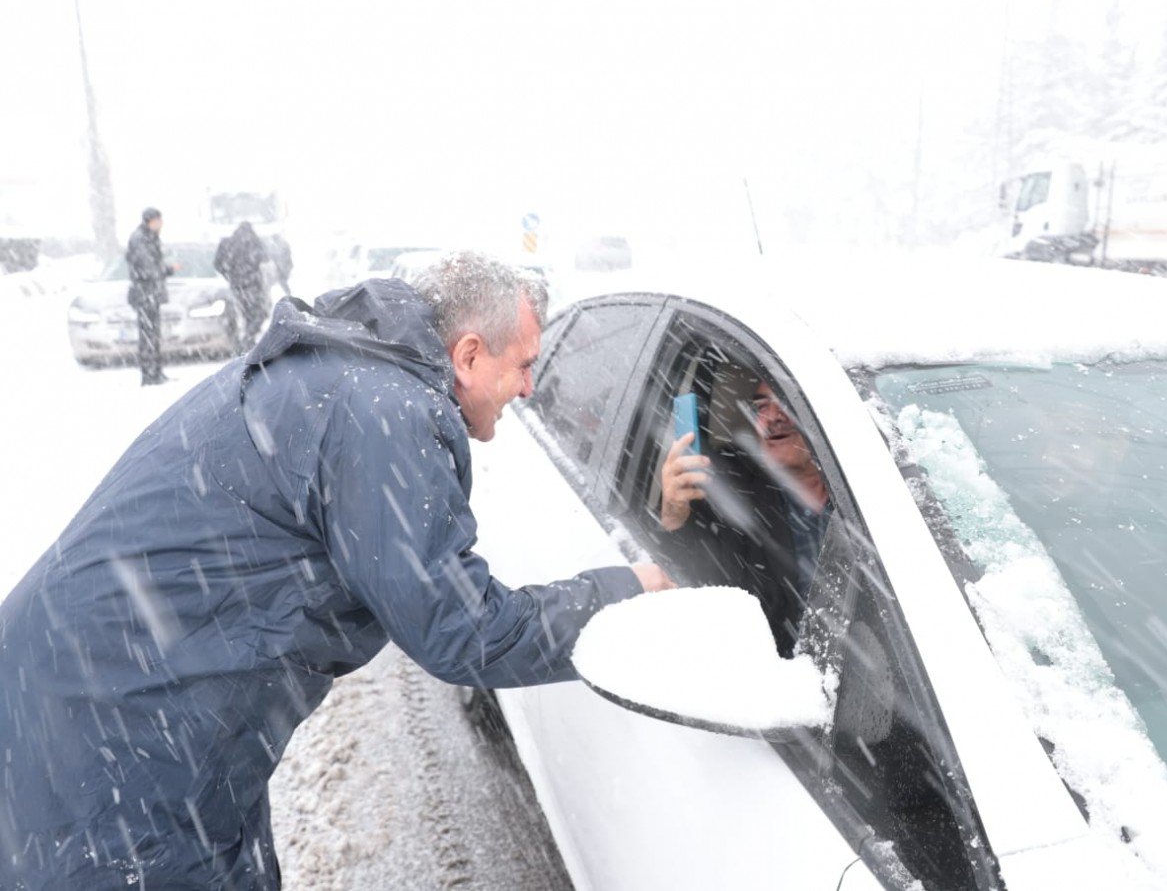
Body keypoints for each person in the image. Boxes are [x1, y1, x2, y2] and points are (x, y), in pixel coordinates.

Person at [0, 251, 672, 889]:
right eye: (524, 364)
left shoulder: (346, 369)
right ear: (468, 354)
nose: (530, 386)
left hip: (103, 695)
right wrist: (620, 596)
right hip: (114, 735)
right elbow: (461, 629)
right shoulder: (384, 410)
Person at [654, 379, 832, 657]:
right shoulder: (732, 498)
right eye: (761, 406)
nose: (772, 417)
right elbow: (692, 589)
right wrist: (674, 516)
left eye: (785, 402)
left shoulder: (870, 487)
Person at [125, 206, 175, 385]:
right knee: (148, 335)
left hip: (150, 293)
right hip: (145, 294)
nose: (161, 225)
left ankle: (156, 371)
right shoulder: (140, 240)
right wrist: (167, 270)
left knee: (153, 334)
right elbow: (148, 268)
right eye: (158, 221)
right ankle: (149, 374)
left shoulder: (149, 238)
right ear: (149, 221)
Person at [215, 220, 272, 350]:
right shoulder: (254, 242)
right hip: (253, 285)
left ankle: (245, 340)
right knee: (259, 313)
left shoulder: (227, 244)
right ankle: (248, 337)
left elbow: (218, 264)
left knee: (244, 314)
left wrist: (229, 275)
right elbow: (265, 258)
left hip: (237, 286)